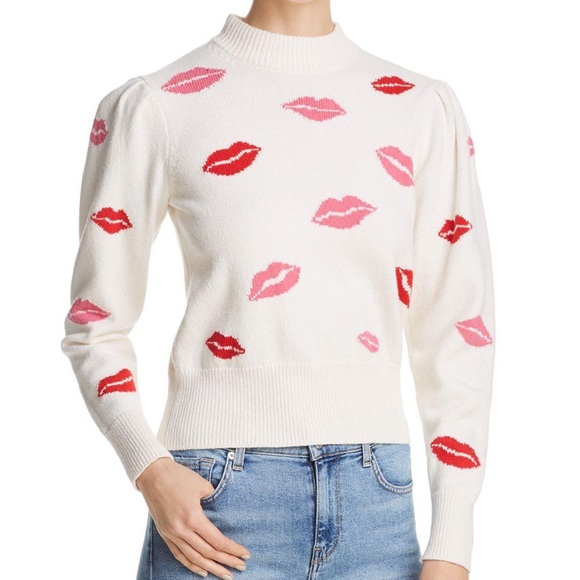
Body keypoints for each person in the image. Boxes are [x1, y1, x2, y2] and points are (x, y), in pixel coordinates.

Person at [60, 0, 495, 578]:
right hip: (215, 509)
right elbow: (93, 324)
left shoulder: (421, 107)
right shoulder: (155, 104)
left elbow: (458, 332)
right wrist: (149, 467)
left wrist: (452, 541)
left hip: (378, 507)